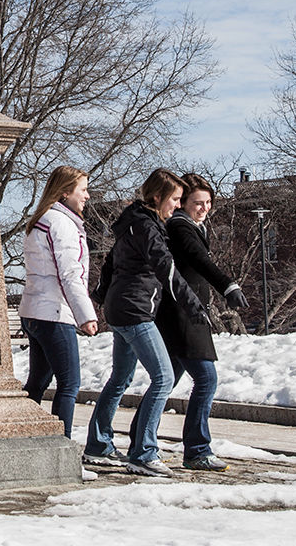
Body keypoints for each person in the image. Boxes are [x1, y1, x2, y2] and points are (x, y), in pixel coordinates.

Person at [83, 168, 210, 477]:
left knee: (121, 378)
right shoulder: (146, 226)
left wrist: (101, 295)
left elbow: (111, 262)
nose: (178, 206)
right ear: (157, 197)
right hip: (135, 310)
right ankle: (143, 452)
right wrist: (193, 306)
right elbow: (165, 268)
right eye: (176, 199)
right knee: (164, 377)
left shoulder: (135, 221)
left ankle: (98, 445)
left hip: (122, 307)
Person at [133, 172, 249, 471]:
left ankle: (138, 440)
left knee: (166, 381)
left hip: (184, 312)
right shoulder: (181, 227)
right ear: (182, 202)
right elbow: (201, 261)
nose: (205, 208)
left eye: (209, 202)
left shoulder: (191, 225)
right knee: (206, 379)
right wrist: (229, 286)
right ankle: (197, 449)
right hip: (183, 315)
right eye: (198, 202)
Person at [18, 166, 99, 438]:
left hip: (34, 311)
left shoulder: (42, 219)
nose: (87, 196)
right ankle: (61, 448)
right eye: (83, 190)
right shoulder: (61, 223)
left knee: (38, 382)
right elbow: (69, 273)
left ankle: (24, 438)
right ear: (65, 192)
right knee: (69, 383)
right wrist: (86, 315)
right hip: (53, 312)